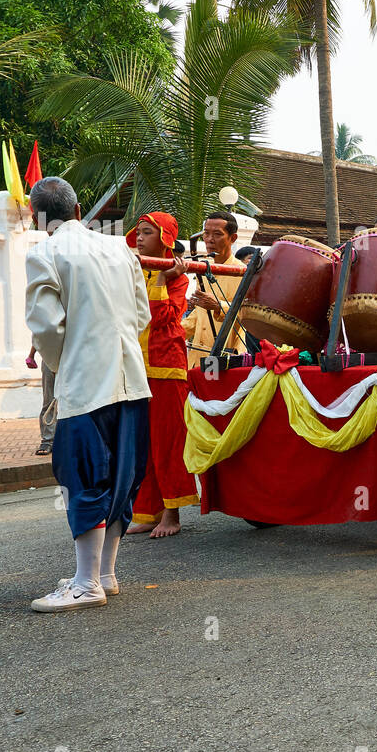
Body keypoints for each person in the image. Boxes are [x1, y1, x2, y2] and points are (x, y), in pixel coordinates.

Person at [25, 176, 151, 611]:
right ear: (79, 209)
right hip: (131, 380)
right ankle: (105, 574)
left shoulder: (45, 252)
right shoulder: (121, 248)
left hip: (85, 386)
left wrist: (67, 364)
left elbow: (45, 327)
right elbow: (141, 315)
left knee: (83, 478)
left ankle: (85, 582)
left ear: (37, 217)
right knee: (121, 475)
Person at [125, 212, 198, 538]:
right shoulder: (135, 271)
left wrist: (160, 281)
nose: (139, 238)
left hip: (167, 367)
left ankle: (172, 514)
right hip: (135, 366)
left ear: (164, 239)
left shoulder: (178, 277)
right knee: (143, 444)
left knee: (169, 442)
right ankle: (146, 511)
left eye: (146, 232)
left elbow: (163, 317)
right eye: (138, 233)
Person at [183, 211, 248, 368]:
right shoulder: (205, 269)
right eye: (206, 233)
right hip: (199, 356)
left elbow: (248, 315)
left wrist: (219, 306)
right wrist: (173, 333)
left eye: (217, 234)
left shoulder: (243, 272)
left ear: (232, 238)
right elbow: (199, 315)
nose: (209, 239)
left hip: (227, 357)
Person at [25, 344, 56, 455]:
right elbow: (39, 334)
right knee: (49, 401)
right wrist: (31, 355)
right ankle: (47, 441)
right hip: (49, 358)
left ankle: (70, 439)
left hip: (70, 358)